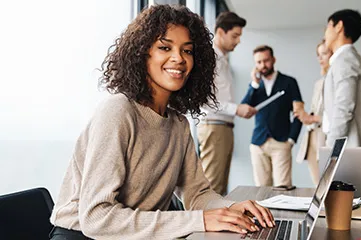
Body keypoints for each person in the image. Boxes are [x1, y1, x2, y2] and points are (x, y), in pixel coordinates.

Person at [49, 5, 275, 240]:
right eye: (164, 47)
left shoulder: (178, 124)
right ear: (142, 53)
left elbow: (197, 194)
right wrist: (200, 220)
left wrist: (229, 210)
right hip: (81, 235)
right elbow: (97, 218)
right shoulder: (118, 111)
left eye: (187, 51)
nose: (178, 58)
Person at [197, 11, 256, 196]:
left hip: (223, 127)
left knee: (220, 188)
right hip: (215, 127)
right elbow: (204, 100)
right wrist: (236, 109)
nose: (238, 41)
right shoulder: (211, 59)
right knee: (212, 188)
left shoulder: (223, 60)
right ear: (220, 32)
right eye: (235, 36)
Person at [241, 45, 303, 189]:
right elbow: (244, 109)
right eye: (259, 62)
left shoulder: (289, 82)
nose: (263, 65)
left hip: (281, 142)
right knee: (261, 189)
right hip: (258, 143)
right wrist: (254, 84)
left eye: (266, 60)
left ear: (273, 60)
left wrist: (291, 139)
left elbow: (299, 112)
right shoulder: (255, 86)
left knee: (283, 188)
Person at [322, 9, 361, 147]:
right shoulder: (348, 59)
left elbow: (344, 106)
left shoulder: (345, 60)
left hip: (348, 148)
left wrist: (331, 145)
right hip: (351, 147)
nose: (325, 34)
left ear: (339, 26)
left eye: (328, 26)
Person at [295, 40, 332, 185]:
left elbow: (336, 115)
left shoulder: (334, 81)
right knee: (318, 186)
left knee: (328, 185)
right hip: (312, 137)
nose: (320, 58)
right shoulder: (319, 83)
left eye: (324, 53)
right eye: (318, 55)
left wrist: (312, 118)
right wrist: (305, 117)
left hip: (326, 138)